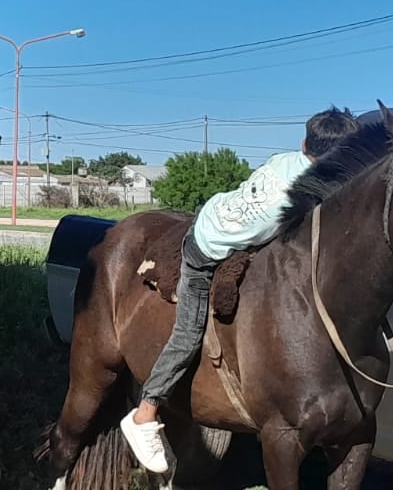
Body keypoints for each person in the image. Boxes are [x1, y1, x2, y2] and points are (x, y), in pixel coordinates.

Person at [120, 106, 361, 473]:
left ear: (303, 144)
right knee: (187, 334)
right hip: (204, 247)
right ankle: (145, 412)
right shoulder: (310, 197)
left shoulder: (285, 161)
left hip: (216, 213)